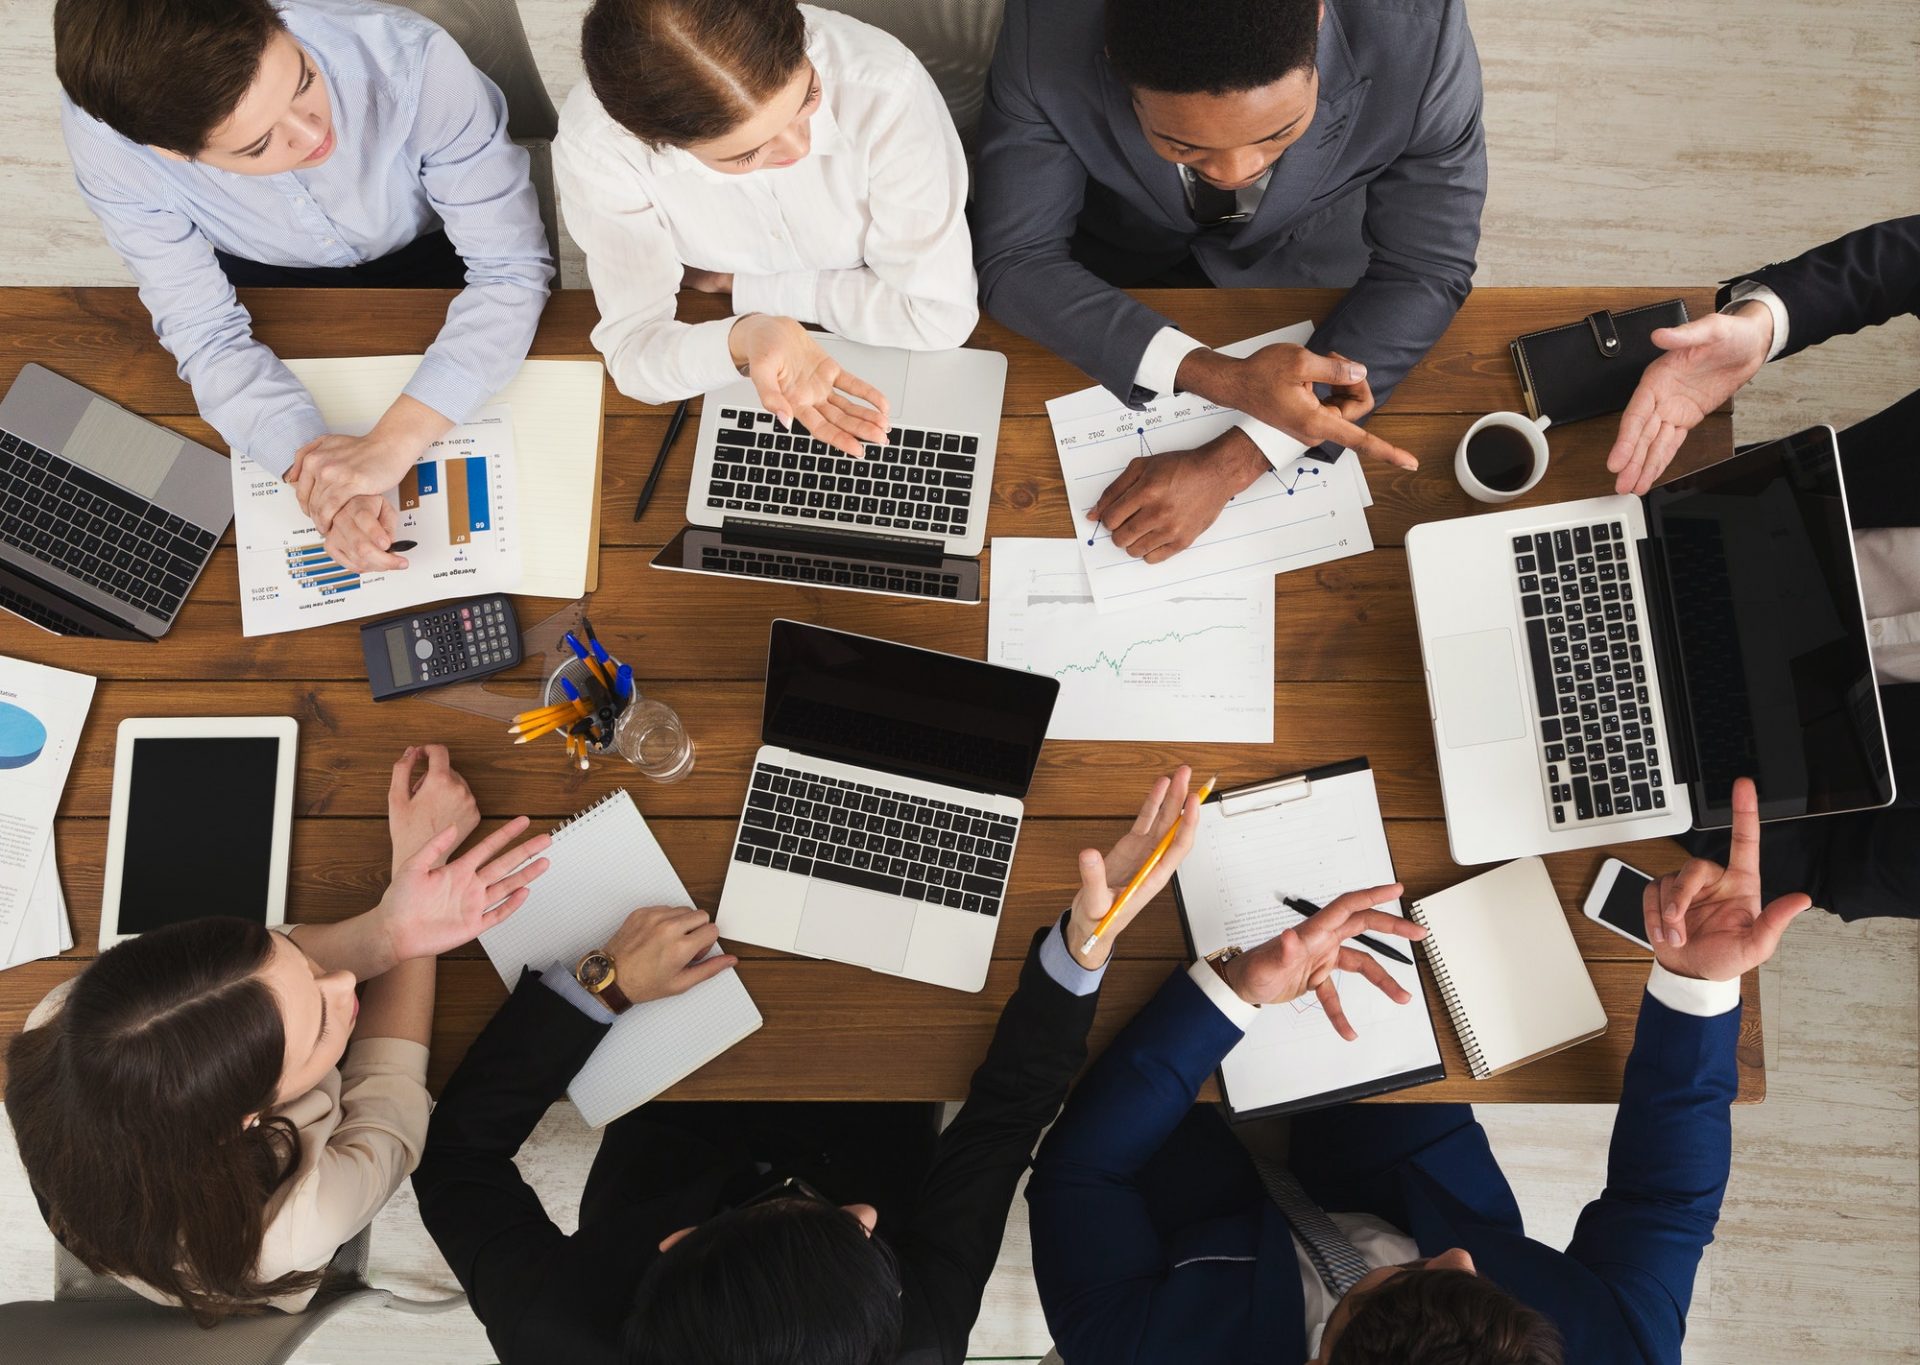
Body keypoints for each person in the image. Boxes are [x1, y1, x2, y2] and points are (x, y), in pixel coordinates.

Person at [411, 768, 1203, 1364]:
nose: (867, 1216)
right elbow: (1001, 1123)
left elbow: (454, 1159)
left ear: (678, 1242)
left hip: (668, 1121)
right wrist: (1086, 941)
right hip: (875, 1117)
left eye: (832, 1223)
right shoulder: (915, 1332)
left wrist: (603, 982)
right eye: (870, 1241)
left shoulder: (556, 1328)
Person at [1027, 776, 1808, 1365]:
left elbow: (1079, 1173)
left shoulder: (1140, 1348)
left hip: (1189, 1227)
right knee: (1385, 975)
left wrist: (1232, 995)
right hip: (1407, 1174)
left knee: (1129, 1070)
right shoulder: (1610, 1349)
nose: (1460, 1253)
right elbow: (1663, 1201)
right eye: (1470, 1278)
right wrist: (1697, 983)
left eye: (1409, 1278)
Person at [5, 746, 551, 1323]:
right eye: (319, 1024)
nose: (347, 984)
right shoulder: (307, 1219)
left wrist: (394, 928)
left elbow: (279, 971)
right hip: (232, 1252)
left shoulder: (60, 1014)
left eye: (290, 957)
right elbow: (387, 1089)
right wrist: (416, 878)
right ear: (250, 1118)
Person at [972, 0, 1486, 563]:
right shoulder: (1044, 25)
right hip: (1112, 264)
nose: (1235, 172)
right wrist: (1220, 378)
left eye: (1279, 132)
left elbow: (1425, 265)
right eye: (1184, 146)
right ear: (1116, 58)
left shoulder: (1421, 34)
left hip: (1305, 265)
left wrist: (1233, 462)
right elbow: (1019, 257)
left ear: (1317, 19)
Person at [53, 0, 554, 572]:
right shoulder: (114, 147)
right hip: (263, 276)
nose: (314, 133)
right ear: (171, 154)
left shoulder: (412, 60)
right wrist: (328, 485)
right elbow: (205, 333)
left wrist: (390, 445)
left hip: (432, 243)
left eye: (304, 80)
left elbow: (508, 270)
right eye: (258, 144)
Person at [1605, 216, 1919, 920]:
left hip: (1672, 750)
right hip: (1686, 512)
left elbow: (1835, 868)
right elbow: (1908, 259)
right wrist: (1766, 326)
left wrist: (1729, 856)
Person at [554, 0, 979, 460]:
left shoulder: (882, 86)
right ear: (659, 143)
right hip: (773, 342)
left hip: (884, 353)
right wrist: (744, 336)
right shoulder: (599, 149)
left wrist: (744, 287)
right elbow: (634, 355)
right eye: (747, 155)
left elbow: (940, 316)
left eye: (809, 98)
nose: (802, 146)